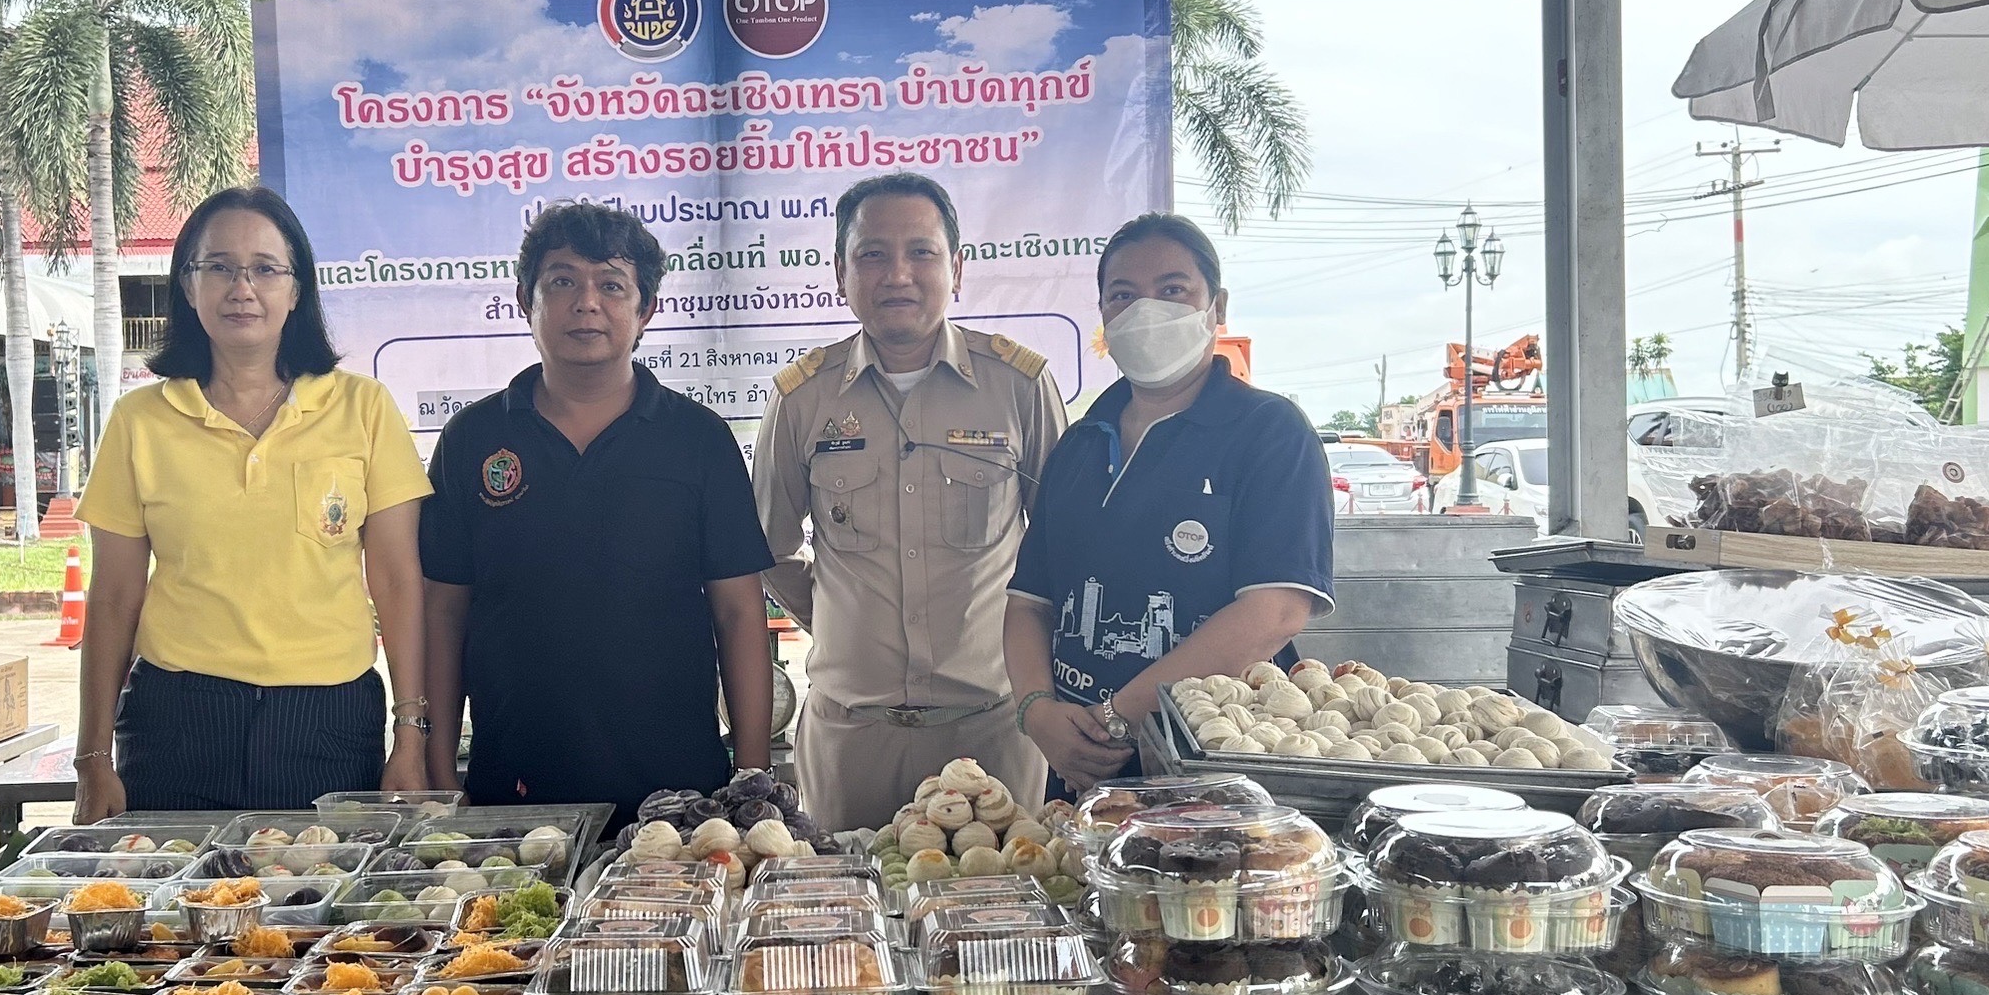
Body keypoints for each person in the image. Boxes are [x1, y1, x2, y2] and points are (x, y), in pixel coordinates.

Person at [71, 185, 433, 820]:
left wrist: (411, 737)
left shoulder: (363, 408)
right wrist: (92, 758)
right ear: (188, 286)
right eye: (219, 267)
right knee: (176, 918)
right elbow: (113, 596)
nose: (243, 288)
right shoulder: (141, 421)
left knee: (322, 914)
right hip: (176, 723)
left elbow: (399, 580)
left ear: (297, 290)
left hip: (328, 719)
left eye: (266, 268)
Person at [420, 200, 776, 826]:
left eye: (612, 285)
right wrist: (441, 770)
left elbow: (740, 611)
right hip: (516, 784)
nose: (587, 303)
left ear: (646, 311)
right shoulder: (471, 440)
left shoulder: (698, 440)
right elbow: (444, 612)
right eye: (562, 282)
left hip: (679, 791)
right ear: (525, 299)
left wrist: (752, 780)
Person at [752, 173, 1067, 831]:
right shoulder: (802, 398)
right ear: (840, 273)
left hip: (994, 734)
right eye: (872, 254)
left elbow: (1064, 553)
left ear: (957, 268)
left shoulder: (1020, 387)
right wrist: (843, 620)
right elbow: (770, 547)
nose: (898, 273)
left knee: (999, 925)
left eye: (921, 252)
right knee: (850, 926)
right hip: (851, 739)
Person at [1003, 214, 1335, 793]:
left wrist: (1118, 720)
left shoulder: (1269, 431)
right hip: (1082, 767)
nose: (1146, 310)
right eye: (1124, 295)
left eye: (1173, 290)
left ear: (1217, 305)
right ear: (1104, 314)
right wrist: (1035, 712)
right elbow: (1030, 603)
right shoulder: (1079, 444)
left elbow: (1276, 611)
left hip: (1221, 762)